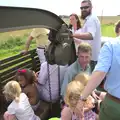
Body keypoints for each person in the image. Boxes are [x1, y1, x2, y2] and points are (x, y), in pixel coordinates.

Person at [75, 38, 120, 120]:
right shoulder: (72, 71)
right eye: (82, 57)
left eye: (87, 57)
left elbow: (100, 73)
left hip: (114, 105)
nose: (84, 59)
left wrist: (83, 98)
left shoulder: (112, 45)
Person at [72, 0, 101, 71]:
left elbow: (90, 36)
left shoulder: (92, 19)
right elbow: (85, 41)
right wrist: (73, 39)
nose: (83, 9)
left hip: (91, 58)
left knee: (90, 80)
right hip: (88, 57)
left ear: (91, 7)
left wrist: (73, 35)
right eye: (81, 8)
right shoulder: (88, 20)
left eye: (86, 7)